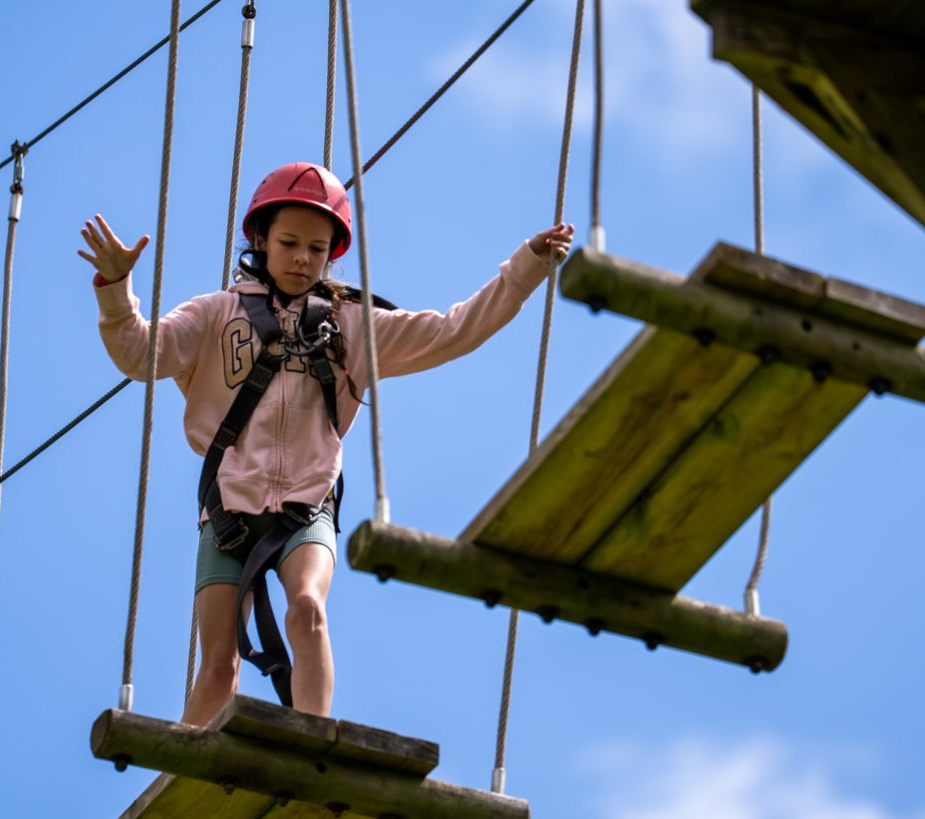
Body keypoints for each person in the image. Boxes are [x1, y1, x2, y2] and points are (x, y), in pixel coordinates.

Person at [79, 162, 573, 726]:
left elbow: (452, 330)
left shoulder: (350, 325)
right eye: (288, 243)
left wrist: (526, 268)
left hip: (307, 505)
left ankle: (314, 743)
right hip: (227, 510)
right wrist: (116, 292)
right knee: (218, 666)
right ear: (259, 240)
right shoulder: (215, 314)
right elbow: (141, 354)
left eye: (317, 249)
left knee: (308, 612)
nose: (301, 259)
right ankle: (179, 778)